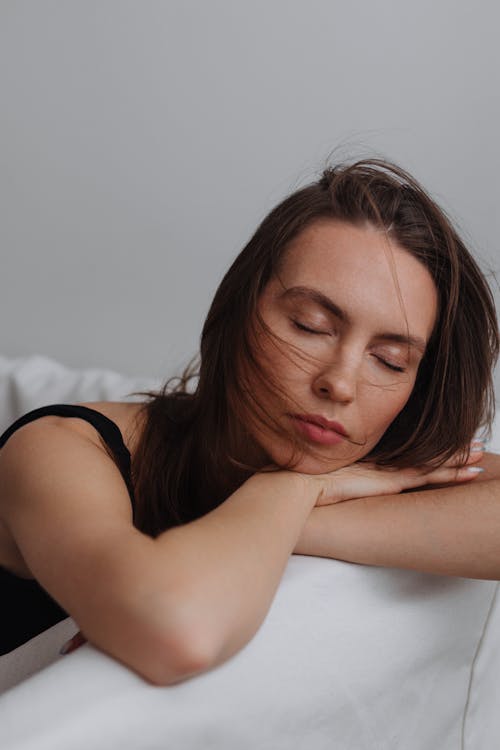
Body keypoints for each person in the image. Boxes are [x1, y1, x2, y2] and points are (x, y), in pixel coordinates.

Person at [0, 158, 499, 686]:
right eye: (311, 326)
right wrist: (280, 493)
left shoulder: (361, 464)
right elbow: (178, 631)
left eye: (390, 361)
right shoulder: (55, 446)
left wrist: (295, 508)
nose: (342, 383)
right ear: (239, 311)